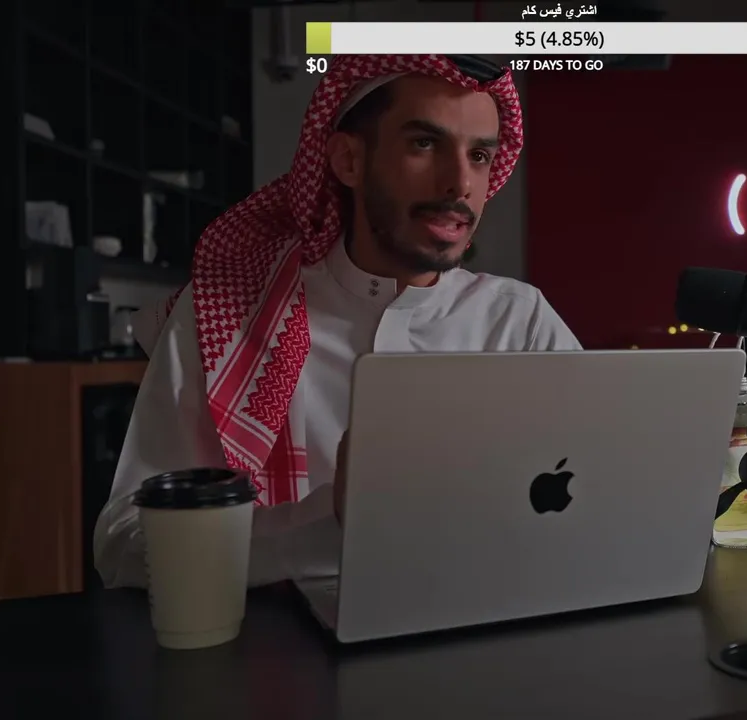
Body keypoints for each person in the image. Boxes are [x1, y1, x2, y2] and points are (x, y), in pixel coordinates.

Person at [94, 55, 580, 590]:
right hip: (277, 637)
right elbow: (124, 546)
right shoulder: (229, 314)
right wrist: (330, 523)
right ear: (349, 160)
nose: (460, 183)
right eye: (424, 144)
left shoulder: (520, 321)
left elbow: (596, 503)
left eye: (480, 156)